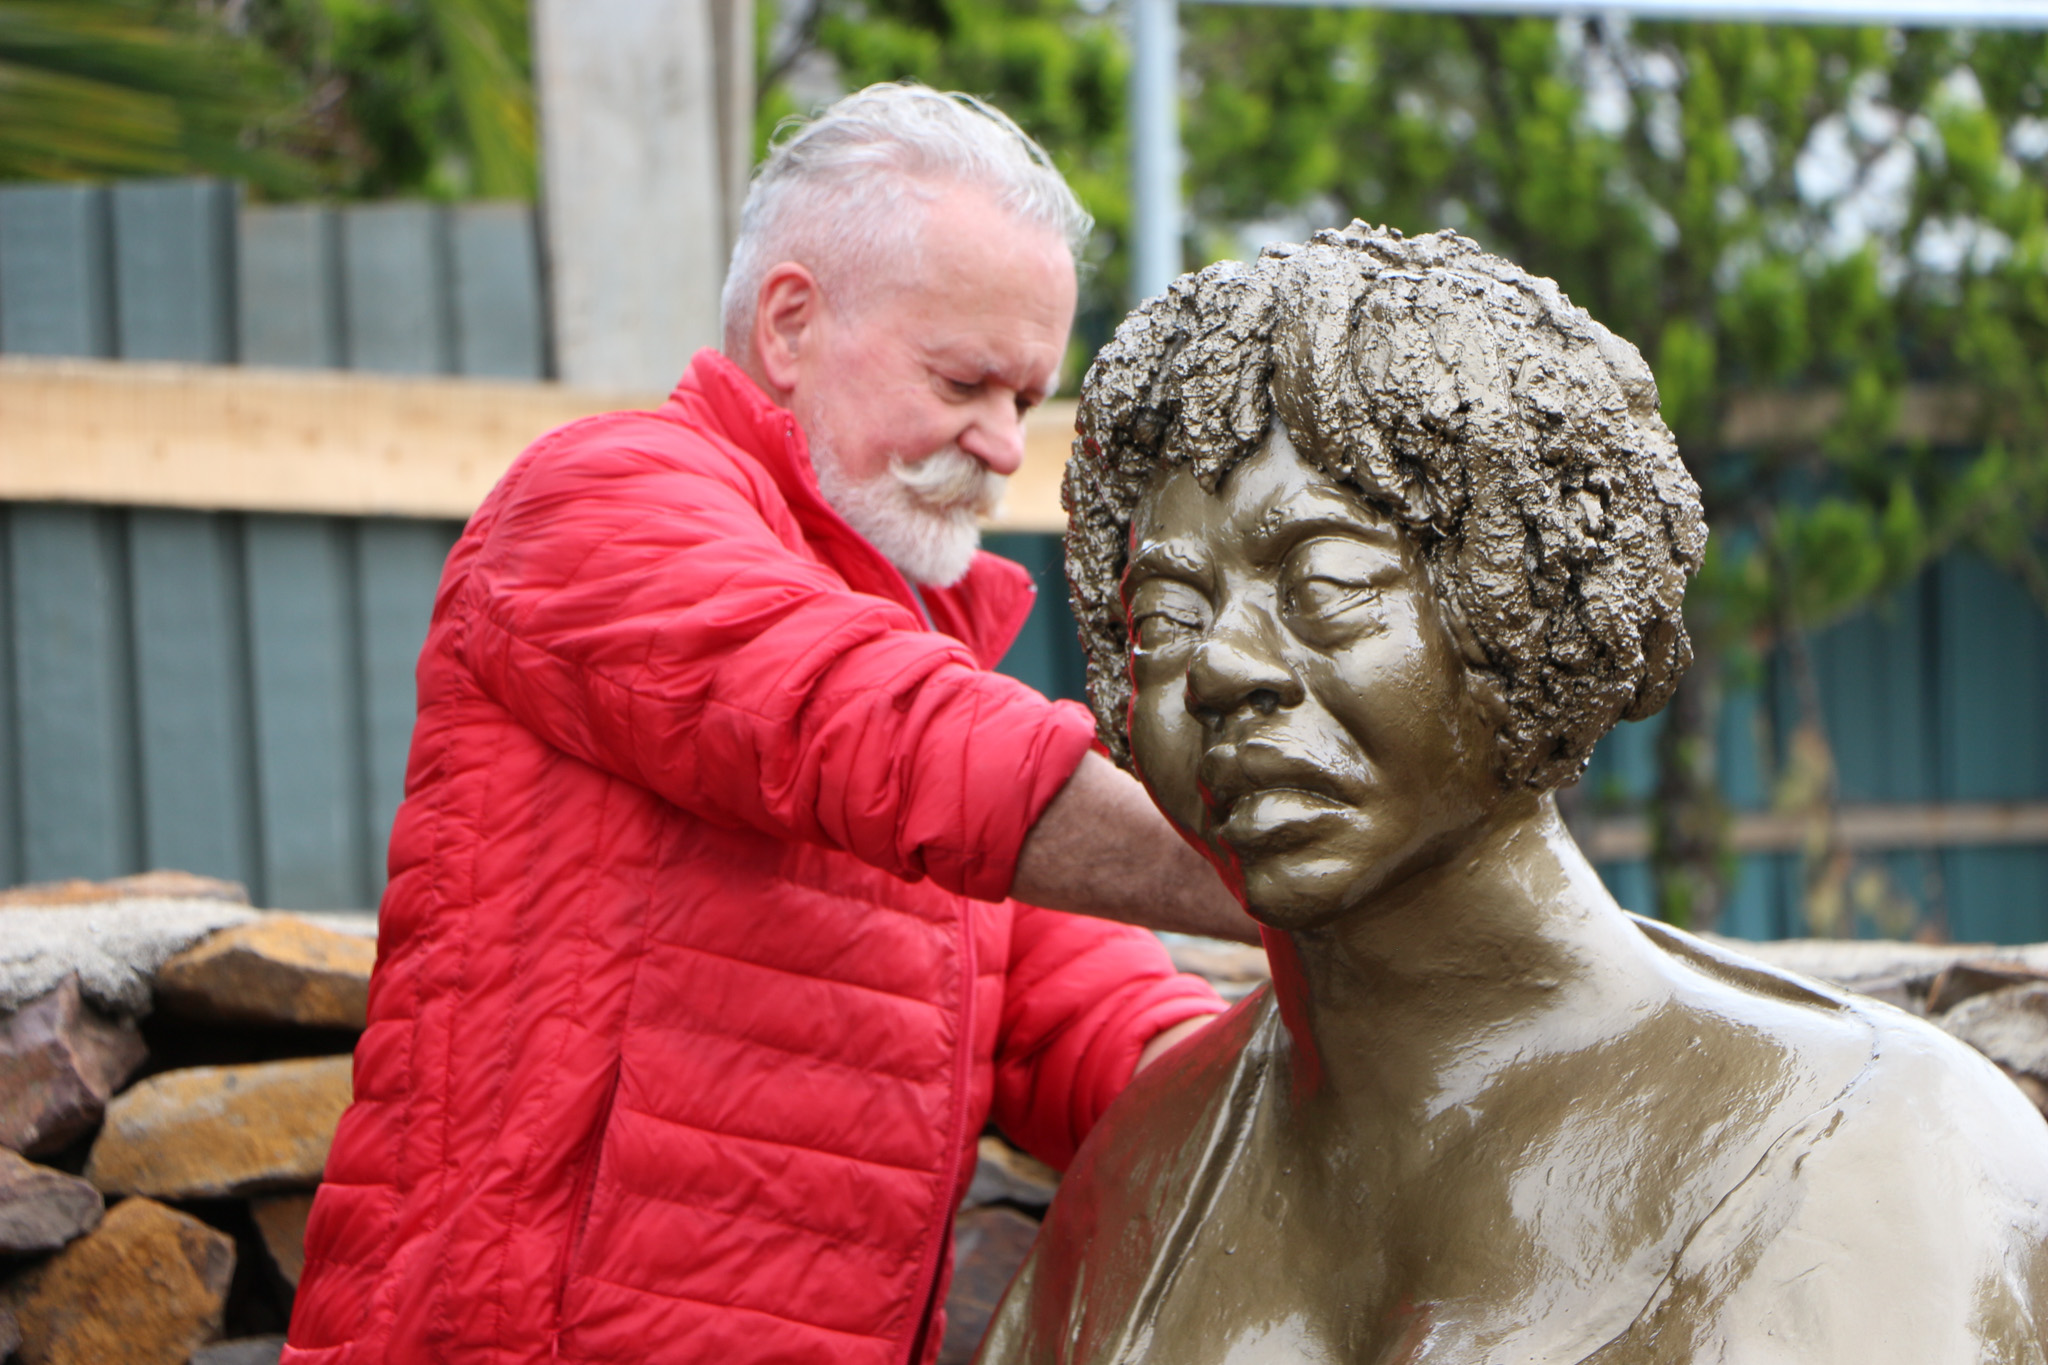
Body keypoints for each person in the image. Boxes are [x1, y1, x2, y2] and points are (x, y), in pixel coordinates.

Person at [282, 84, 1249, 1365]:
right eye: (967, 382)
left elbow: (1086, 1012)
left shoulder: (923, 659)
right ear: (790, 323)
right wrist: (1311, 874)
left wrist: (1319, 1080)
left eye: (1027, 398)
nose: (1009, 448)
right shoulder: (602, 499)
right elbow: (858, 726)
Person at [979, 223, 2048, 1364]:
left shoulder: (1871, 1158)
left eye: (1328, 584)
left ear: (1522, 603)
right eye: (1165, 619)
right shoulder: (1144, 1177)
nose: (1222, 668)